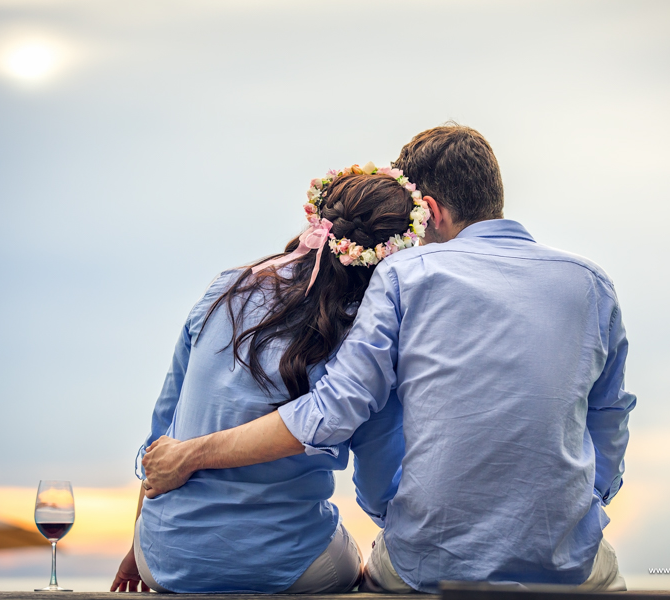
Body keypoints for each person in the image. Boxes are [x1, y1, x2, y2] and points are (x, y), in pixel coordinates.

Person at [141, 124, 637, 593]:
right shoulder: (592, 284)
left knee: (374, 564)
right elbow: (608, 418)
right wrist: (586, 506)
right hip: (566, 559)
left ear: (431, 210)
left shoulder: (403, 277)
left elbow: (343, 415)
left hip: (425, 561)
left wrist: (191, 455)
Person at [110, 164, 429, 593]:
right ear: (394, 253)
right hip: (284, 560)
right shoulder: (366, 342)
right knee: (360, 568)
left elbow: (162, 433)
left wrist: (141, 545)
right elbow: (377, 485)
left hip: (164, 556)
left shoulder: (226, 289)